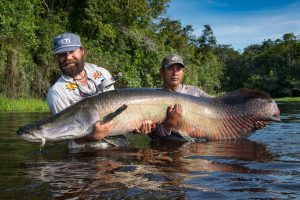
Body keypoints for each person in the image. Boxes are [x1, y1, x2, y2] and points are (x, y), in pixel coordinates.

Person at [136, 54, 267, 141]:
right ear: (162, 71)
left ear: (183, 72)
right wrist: (169, 123)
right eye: (170, 68)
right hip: (165, 152)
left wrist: (253, 123)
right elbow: (156, 137)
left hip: (196, 151)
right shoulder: (150, 99)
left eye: (179, 69)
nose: (175, 73)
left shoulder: (194, 92)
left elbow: (221, 109)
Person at [46, 32, 115, 149]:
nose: (68, 57)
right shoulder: (57, 92)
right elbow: (69, 137)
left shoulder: (102, 73)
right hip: (85, 154)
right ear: (57, 58)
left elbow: (116, 108)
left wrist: (136, 127)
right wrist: (93, 137)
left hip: (117, 144)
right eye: (62, 54)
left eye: (72, 52)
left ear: (82, 51)